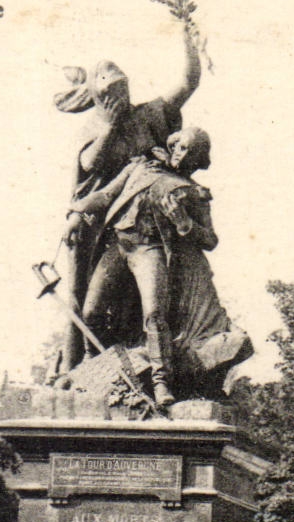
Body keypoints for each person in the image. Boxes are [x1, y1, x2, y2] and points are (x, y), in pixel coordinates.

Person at [51, 24, 202, 376]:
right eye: (110, 93)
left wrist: (189, 44)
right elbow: (89, 168)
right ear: (97, 98)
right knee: (91, 306)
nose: (120, 96)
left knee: (148, 308)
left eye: (123, 88)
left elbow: (188, 82)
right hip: (106, 231)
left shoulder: (149, 115)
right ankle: (91, 367)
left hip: (151, 229)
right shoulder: (94, 130)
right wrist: (110, 127)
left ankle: (153, 372)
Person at [63, 127, 251, 405]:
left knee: (154, 314)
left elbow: (210, 239)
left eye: (187, 149)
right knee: (91, 311)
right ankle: (93, 364)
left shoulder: (192, 193)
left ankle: (161, 381)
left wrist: (184, 224)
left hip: (149, 249)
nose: (178, 152)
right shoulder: (140, 168)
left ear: (198, 159)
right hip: (118, 245)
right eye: (177, 145)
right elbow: (105, 195)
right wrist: (77, 215)